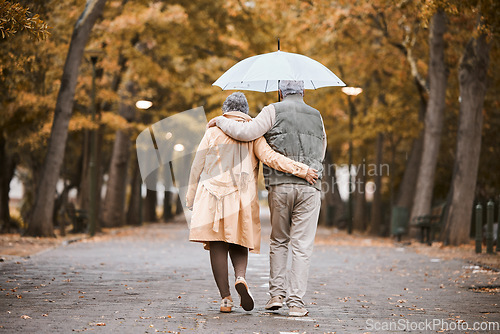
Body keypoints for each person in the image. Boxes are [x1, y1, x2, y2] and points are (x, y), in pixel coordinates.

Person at [186, 92, 318, 313]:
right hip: (242, 197)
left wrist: (190, 197)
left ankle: (226, 299)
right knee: (240, 239)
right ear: (246, 112)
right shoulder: (255, 135)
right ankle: (241, 277)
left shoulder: (213, 132)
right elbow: (272, 158)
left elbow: (197, 166)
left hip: (213, 196)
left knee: (217, 244)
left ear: (224, 110)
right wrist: (302, 169)